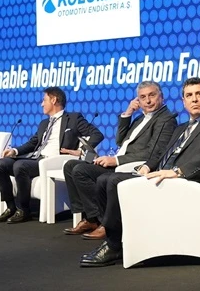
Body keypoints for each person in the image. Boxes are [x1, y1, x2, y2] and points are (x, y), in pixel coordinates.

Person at [79, 77, 200, 267]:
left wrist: (178, 171)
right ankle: (114, 236)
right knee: (104, 180)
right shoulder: (183, 127)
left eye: (199, 94)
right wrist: (148, 166)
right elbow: (161, 153)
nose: (194, 99)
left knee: (114, 181)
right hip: (159, 176)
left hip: (182, 184)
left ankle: (114, 245)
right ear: (183, 101)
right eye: (189, 95)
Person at [62, 81, 177, 239]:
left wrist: (116, 161)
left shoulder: (166, 119)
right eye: (143, 97)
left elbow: (152, 153)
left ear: (161, 97)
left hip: (132, 166)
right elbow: (119, 140)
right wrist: (128, 113)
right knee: (71, 166)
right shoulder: (140, 118)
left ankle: (104, 222)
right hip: (120, 162)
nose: (148, 101)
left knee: (82, 171)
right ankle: (91, 218)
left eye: (152, 95)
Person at [0, 87, 103, 224]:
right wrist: (14, 151)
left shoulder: (74, 119)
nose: (41, 104)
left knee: (20, 166)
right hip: (36, 158)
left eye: (44, 100)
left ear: (54, 100)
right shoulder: (44, 123)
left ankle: (23, 210)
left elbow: (97, 134)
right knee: (1, 164)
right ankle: (10, 207)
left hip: (54, 161)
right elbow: (33, 143)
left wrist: (81, 150)